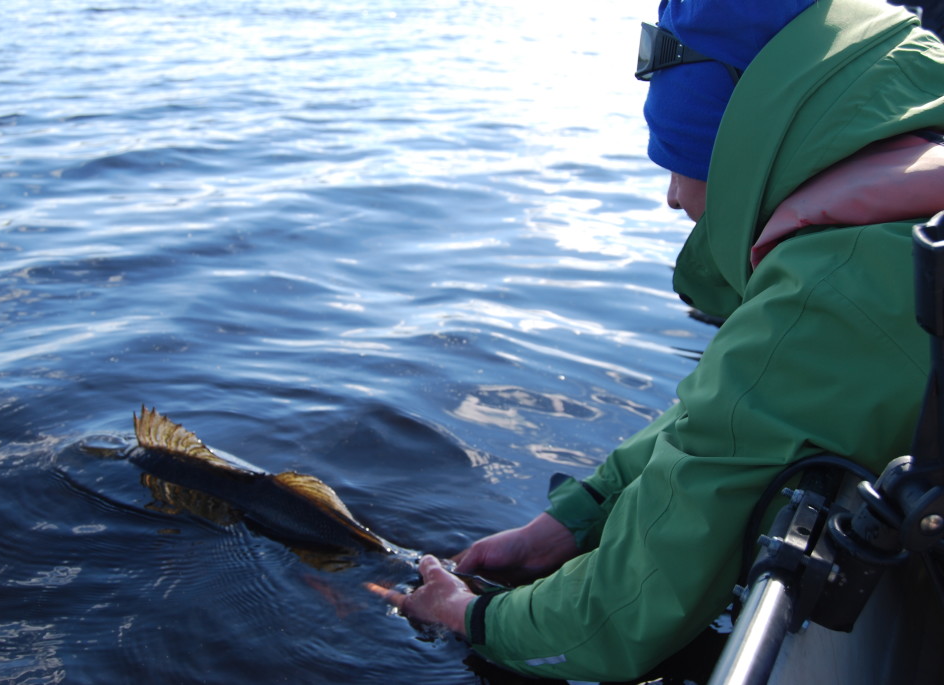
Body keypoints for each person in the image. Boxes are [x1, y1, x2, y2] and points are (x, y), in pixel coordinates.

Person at [371, 0, 944, 680]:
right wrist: (575, 518)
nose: (673, 199)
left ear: (746, 151)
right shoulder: (899, 198)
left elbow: (618, 615)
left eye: (682, 164)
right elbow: (738, 405)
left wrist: (468, 616)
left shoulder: (832, 290)